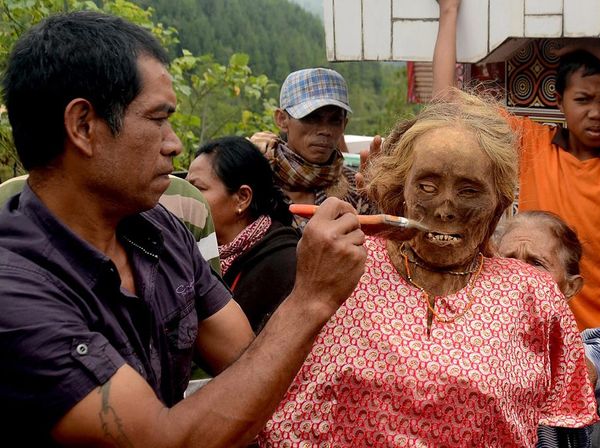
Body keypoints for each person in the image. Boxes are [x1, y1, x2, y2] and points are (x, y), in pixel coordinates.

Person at [0, 11, 367, 446]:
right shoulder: (15, 291)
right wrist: (311, 298)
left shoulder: (162, 231)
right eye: (158, 119)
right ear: (83, 126)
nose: (174, 143)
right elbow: (164, 441)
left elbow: (245, 362)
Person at [260, 93, 598, 447]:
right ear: (401, 188)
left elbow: (562, 423)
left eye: (469, 190)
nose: (445, 209)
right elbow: (282, 398)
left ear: (499, 203)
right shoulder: (345, 266)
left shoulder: (533, 294)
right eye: (426, 186)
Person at [432, 1, 600, 445]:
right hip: (541, 340)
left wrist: (597, 49)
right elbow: (447, 106)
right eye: (583, 99)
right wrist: (449, 14)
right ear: (560, 101)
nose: (597, 112)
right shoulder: (532, 144)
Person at [497, 210, 600, 447]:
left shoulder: (591, 347)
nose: (518, 274)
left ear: (571, 287)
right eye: (508, 260)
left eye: (536, 263)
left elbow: (587, 370)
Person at [0, 173, 222, 273]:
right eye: (155, 119)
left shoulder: (185, 200)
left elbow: (213, 317)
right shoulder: (8, 197)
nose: (173, 144)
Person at [187, 136, 300, 332]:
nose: (187, 197)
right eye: (186, 187)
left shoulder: (285, 264)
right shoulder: (196, 252)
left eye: (197, 189)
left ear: (242, 198)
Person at [262, 67, 374, 228]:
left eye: (335, 120)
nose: (325, 130)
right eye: (312, 118)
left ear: (344, 124)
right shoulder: (256, 181)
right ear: (282, 119)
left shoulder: (358, 189)